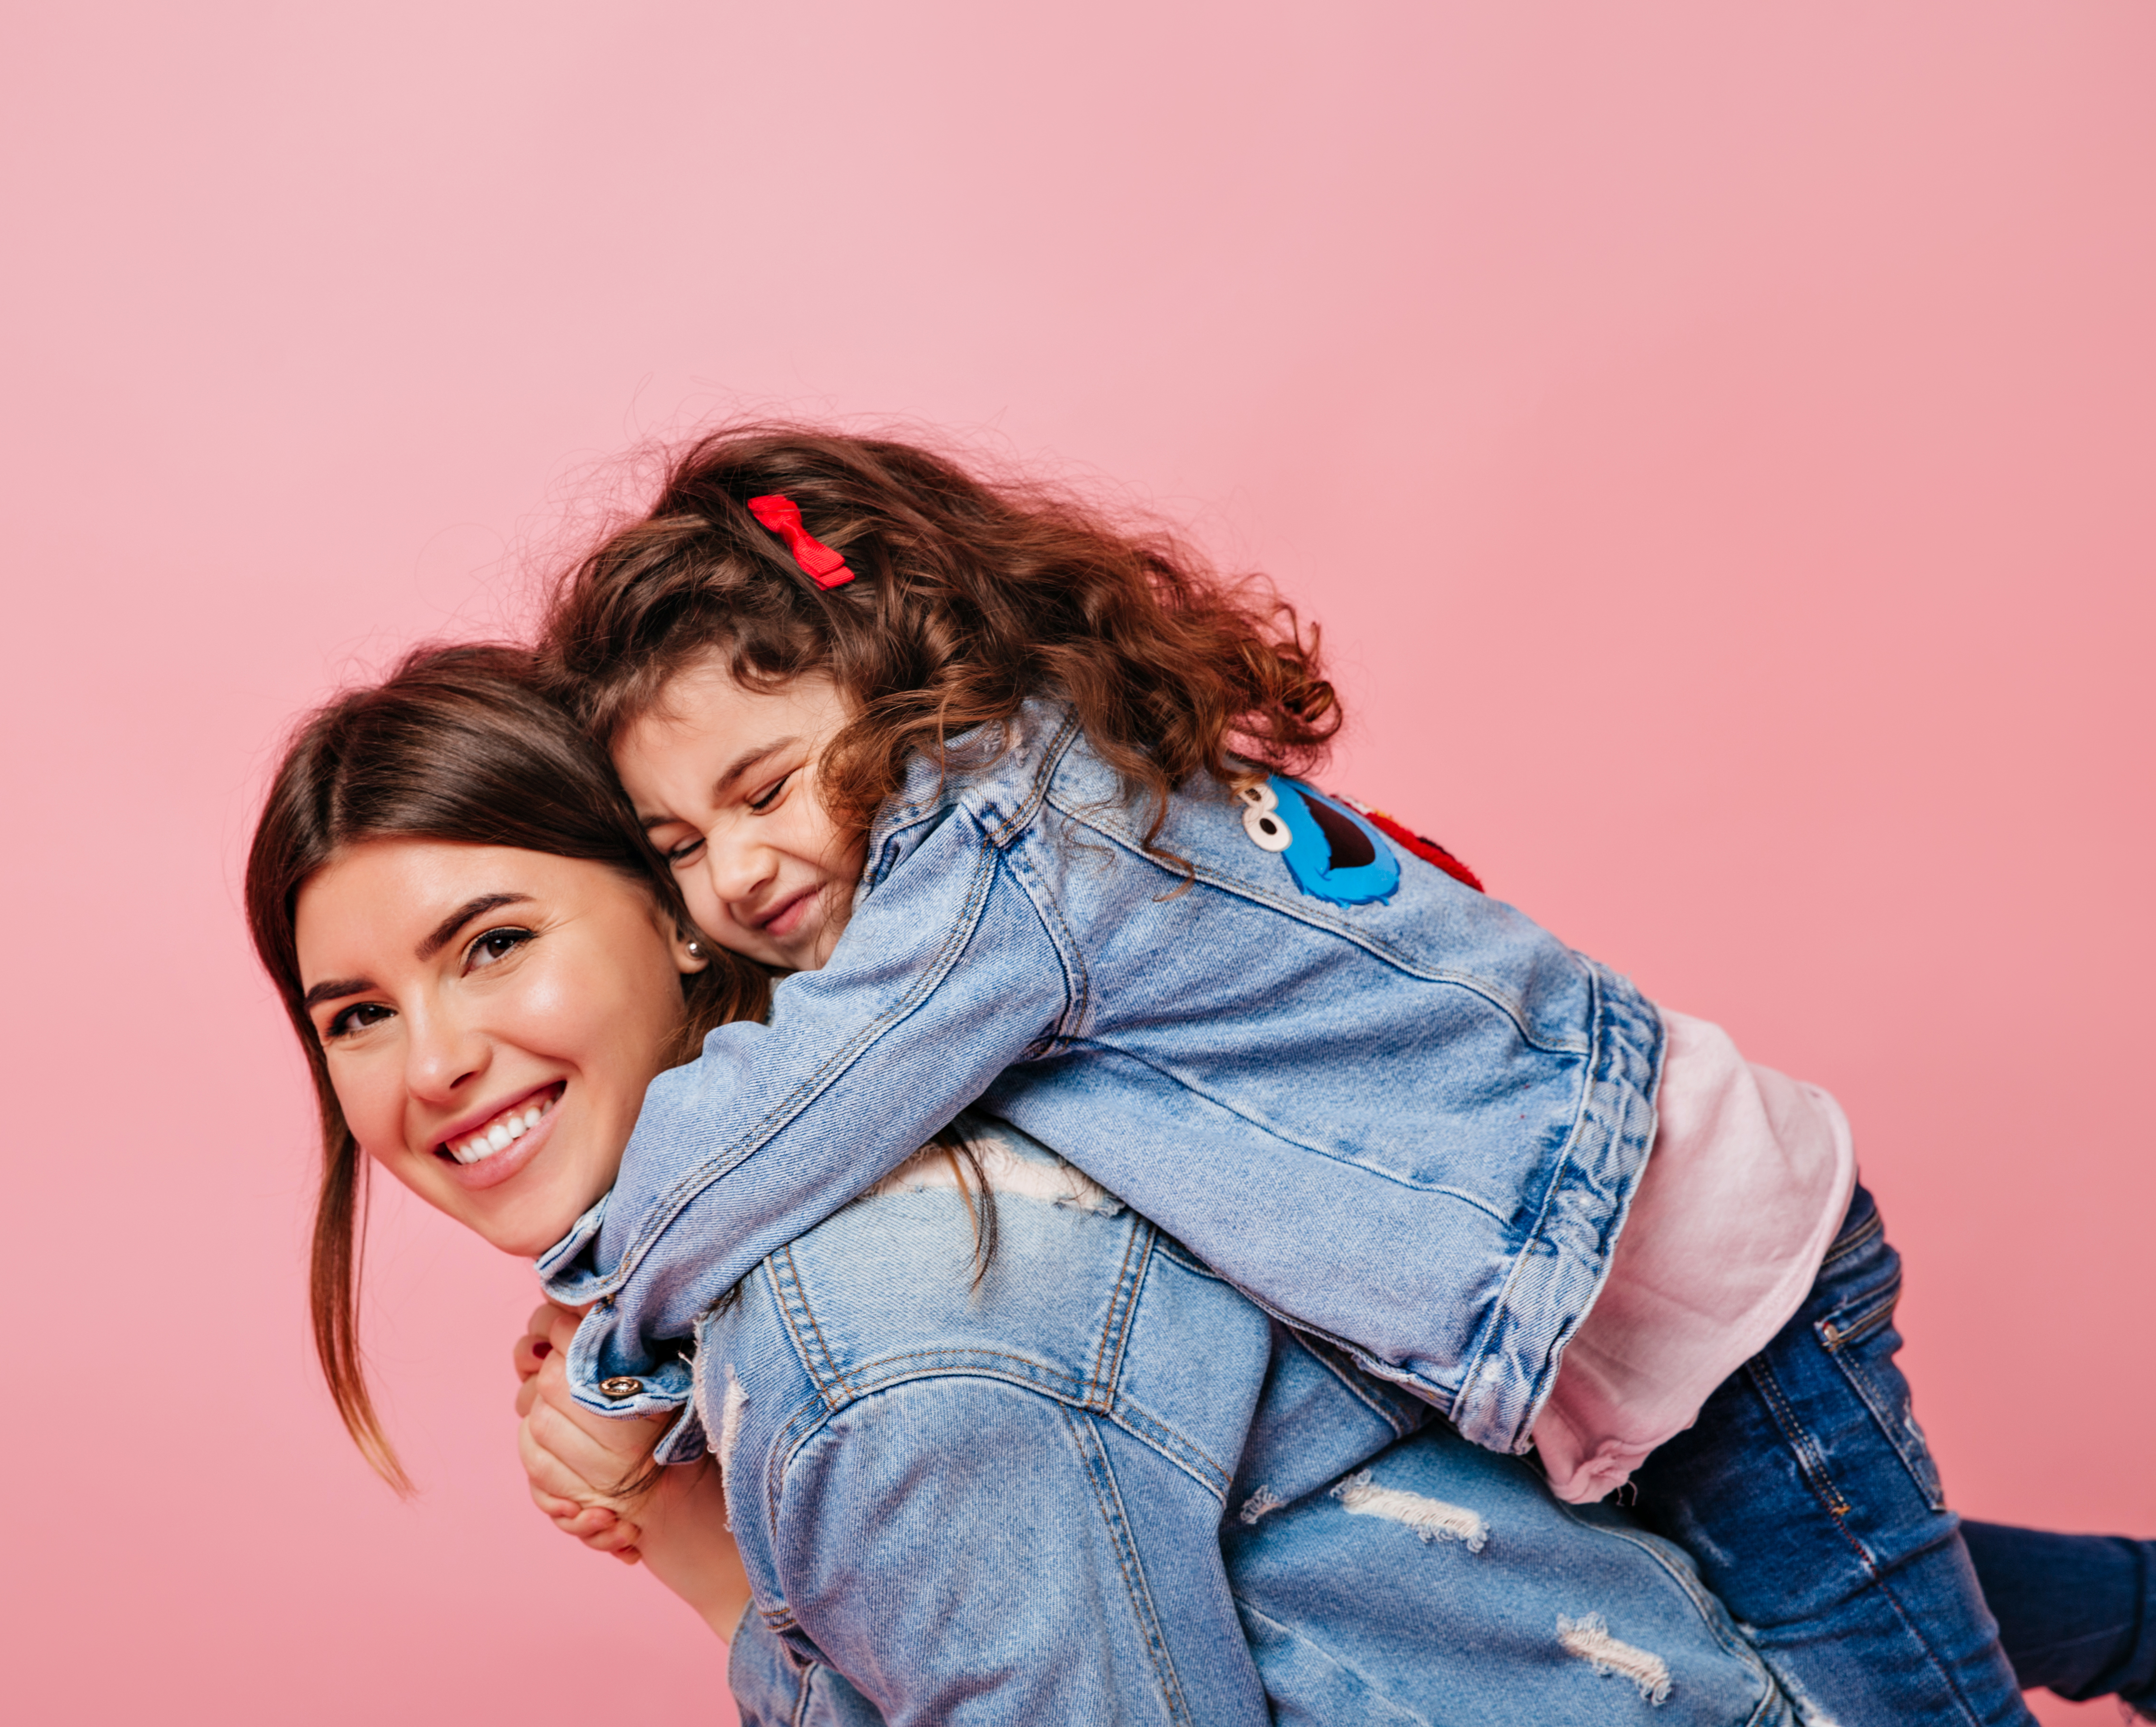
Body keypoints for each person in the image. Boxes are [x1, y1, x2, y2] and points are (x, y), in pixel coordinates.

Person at [525, 425, 2153, 1726]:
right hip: (1594, 1290)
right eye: (678, 844)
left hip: (1715, 1302)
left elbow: (792, 1104)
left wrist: (613, 1354)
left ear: (904, 683)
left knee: (1874, 1651)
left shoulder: (1000, 853)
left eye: (765, 788)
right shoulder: (1048, 792)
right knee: (1833, 1571)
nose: (734, 872)